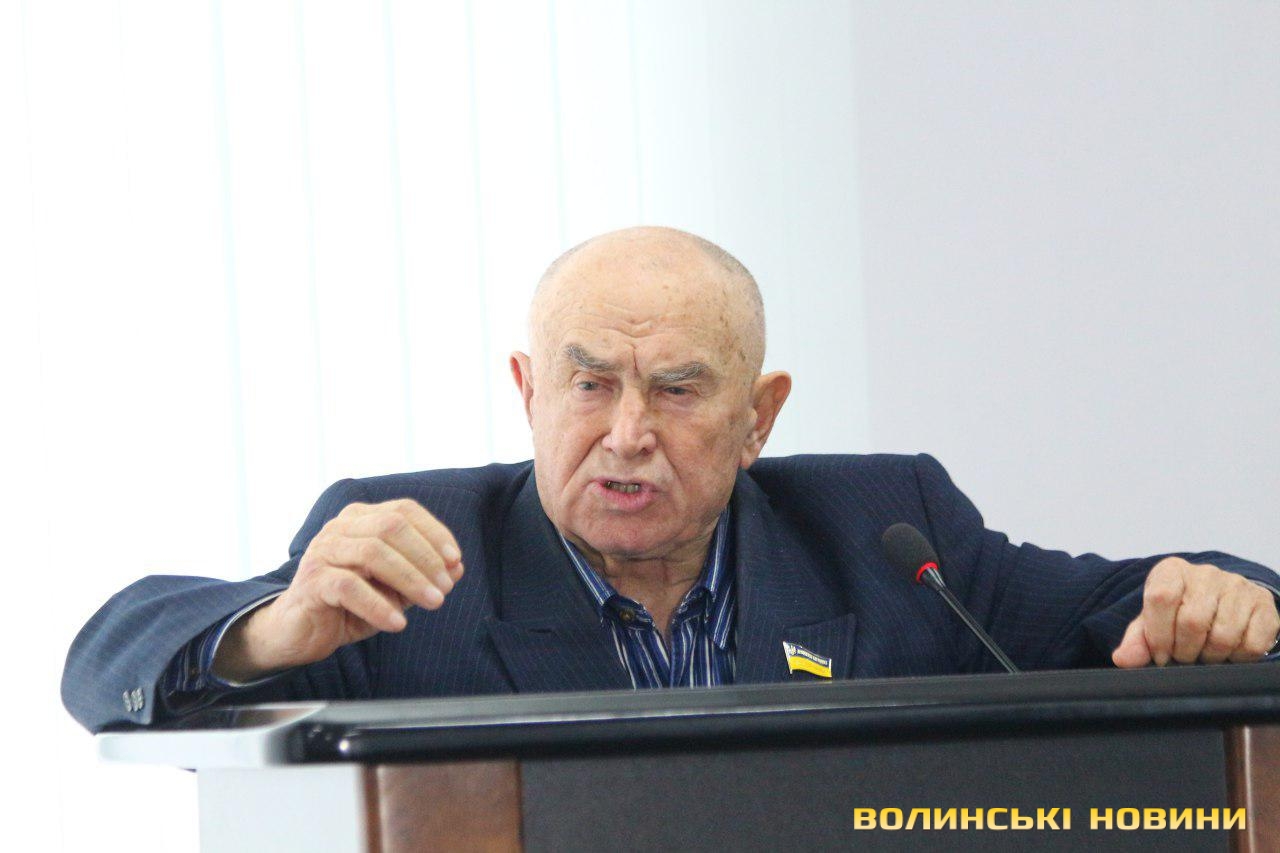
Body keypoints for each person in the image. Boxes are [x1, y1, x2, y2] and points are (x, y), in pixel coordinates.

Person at [62, 226, 1280, 734]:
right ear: (527, 393)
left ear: (758, 417)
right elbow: (105, 660)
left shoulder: (883, 530)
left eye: (679, 389)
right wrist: (270, 631)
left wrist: (1232, 597)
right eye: (588, 384)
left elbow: (1128, 606)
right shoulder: (410, 554)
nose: (627, 432)